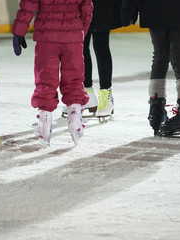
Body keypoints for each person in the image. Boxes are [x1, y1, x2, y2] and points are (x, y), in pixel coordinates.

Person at [12, 0, 93, 145]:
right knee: (74, 80)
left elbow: (29, 3)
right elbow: (87, 8)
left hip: (46, 37)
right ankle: (75, 116)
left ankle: (45, 120)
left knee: (46, 80)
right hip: (72, 36)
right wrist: (80, 32)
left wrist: (19, 31)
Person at [121, 0, 180, 138]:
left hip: (155, 7)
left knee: (161, 56)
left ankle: (157, 111)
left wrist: (129, 9)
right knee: (179, 56)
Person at [62, 0, 123, 123]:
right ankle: (87, 93)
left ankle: (106, 93)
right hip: (80, 6)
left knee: (101, 46)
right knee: (81, 48)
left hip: (103, 7)